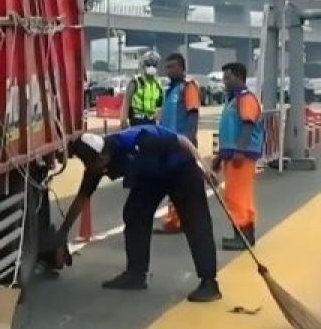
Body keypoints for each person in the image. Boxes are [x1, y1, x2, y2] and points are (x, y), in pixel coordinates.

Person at [64, 125, 221, 302]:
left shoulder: (139, 141)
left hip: (180, 167)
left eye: (93, 165)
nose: (92, 170)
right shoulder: (97, 162)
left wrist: (205, 168)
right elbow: (82, 197)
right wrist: (62, 234)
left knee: (195, 221)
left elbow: (182, 141)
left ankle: (209, 282)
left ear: (103, 156)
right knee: (134, 213)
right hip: (151, 176)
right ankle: (136, 274)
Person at [214, 61, 264, 250]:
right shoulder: (233, 100)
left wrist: (240, 151)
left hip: (241, 156)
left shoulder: (246, 98)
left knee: (236, 196)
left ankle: (242, 237)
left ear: (238, 77)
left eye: (227, 77)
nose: (224, 82)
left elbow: (248, 125)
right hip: (233, 155)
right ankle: (246, 235)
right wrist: (221, 155)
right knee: (240, 195)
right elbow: (229, 130)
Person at [156, 53, 201, 234]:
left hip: (181, 144)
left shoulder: (187, 87)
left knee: (181, 183)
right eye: (167, 67)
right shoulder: (170, 89)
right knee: (173, 183)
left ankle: (181, 220)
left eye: (173, 66)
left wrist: (189, 138)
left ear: (182, 68)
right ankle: (175, 220)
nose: (169, 70)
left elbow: (193, 113)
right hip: (169, 144)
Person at [121, 50, 164, 127]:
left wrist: (159, 120)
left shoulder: (158, 84)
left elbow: (160, 105)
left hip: (152, 121)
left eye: (154, 65)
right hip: (136, 121)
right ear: (143, 65)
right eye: (148, 64)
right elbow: (126, 102)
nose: (151, 67)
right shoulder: (135, 82)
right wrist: (124, 120)